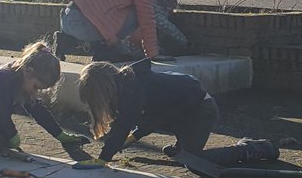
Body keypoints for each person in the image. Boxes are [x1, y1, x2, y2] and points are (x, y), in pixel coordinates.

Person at [76, 59, 279, 166]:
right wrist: (131, 138)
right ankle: (182, 146)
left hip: (200, 110)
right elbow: (151, 117)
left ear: (103, 89)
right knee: (183, 150)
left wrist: (104, 158)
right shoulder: (127, 86)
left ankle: (250, 148)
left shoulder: (132, 88)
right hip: (181, 111)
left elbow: (125, 123)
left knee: (195, 162)